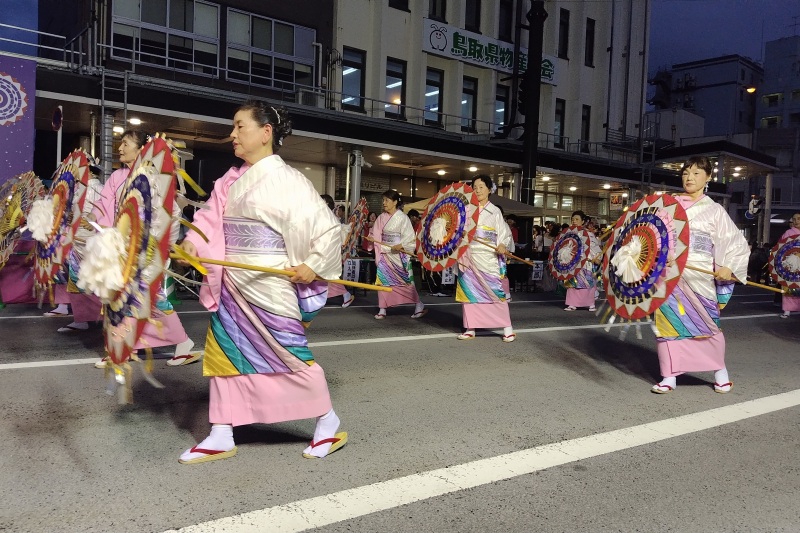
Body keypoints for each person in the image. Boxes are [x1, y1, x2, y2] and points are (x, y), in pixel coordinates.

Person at [177, 101, 347, 464]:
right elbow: (209, 219)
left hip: (269, 282)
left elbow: (329, 231)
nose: (233, 134)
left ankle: (327, 420)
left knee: (288, 355)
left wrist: (313, 265)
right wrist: (192, 243)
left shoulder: (289, 180)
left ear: (266, 132)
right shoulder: (230, 179)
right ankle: (222, 431)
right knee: (225, 354)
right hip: (233, 282)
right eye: (233, 127)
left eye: (240, 127)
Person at [92, 130, 200, 368]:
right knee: (127, 297)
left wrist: (163, 245)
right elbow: (114, 210)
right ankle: (128, 347)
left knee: (148, 297)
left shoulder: (155, 176)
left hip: (148, 249)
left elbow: (170, 212)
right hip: (126, 248)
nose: (120, 148)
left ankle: (176, 343)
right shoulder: (124, 176)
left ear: (142, 149)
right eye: (120, 144)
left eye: (126, 144)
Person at [650, 156, 749, 394]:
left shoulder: (715, 210)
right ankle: (669, 376)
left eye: (696, 173)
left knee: (707, 325)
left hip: (699, 276)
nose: (689, 178)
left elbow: (736, 243)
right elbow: (652, 234)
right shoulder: (667, 206)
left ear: (708, 178)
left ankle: (720, 372)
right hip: (669, 275)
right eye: (685, 173)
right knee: (667, 325)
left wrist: (728, 266)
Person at [456, 175, 515, 342]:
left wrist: (502, 244)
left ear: (490, 189)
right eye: (475, 187)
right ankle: (470, 327)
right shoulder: (467, 210)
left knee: (495, 292)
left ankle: (507, 328)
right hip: (469, 256)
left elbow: (503, 234)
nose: (477, 190)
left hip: (488, 257)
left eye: (481, 187)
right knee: (469, 293)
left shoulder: (495, 211)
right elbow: (459, 231)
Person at [57, 160, 104, 333]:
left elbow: (90, 216)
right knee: (81, 281)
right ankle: (85, 317)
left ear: (88, 171)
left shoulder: (92, 188)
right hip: (81, 241)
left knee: (85, 280)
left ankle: (90, 317)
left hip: (86, 242)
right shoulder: (83, 188)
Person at [370, 190, 426, 319]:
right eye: (383, 200)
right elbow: (376, 234)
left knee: (404, 282)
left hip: (398, 255)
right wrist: (372, 238)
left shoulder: (403, 218)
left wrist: (401, 245)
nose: (384, 203)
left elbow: (410, 237)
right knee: (383, 281)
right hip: (384, 253)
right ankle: (382, 308)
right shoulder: (381, 217)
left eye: (387, 200)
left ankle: (418, 304)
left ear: (395, 202)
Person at [563, 210, 602, 312]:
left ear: (583, 221)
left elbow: (594, 248)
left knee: (587, 283)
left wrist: (595, 258)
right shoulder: (569, 233)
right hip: (573, 263)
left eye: (577, 219)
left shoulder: (589, 234)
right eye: (573, 219)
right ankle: (572, 303)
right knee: (572, 284)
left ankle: (590, 303)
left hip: (586, 263)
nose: (574, 221)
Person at [321, 193, 354, 308]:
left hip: (328, 252)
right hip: (322, 251)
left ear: (327, 204)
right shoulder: (323, 217)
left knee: (327, 276)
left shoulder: (331, 219)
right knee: (324, 277)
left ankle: (345, 294)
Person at [778, 212, 800, 318]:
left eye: (799, 219)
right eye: (794, 219)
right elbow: (781, 248)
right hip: (790, 264)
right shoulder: (788, 233)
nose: (796, 221)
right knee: (789, 286)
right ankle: (787, 309)